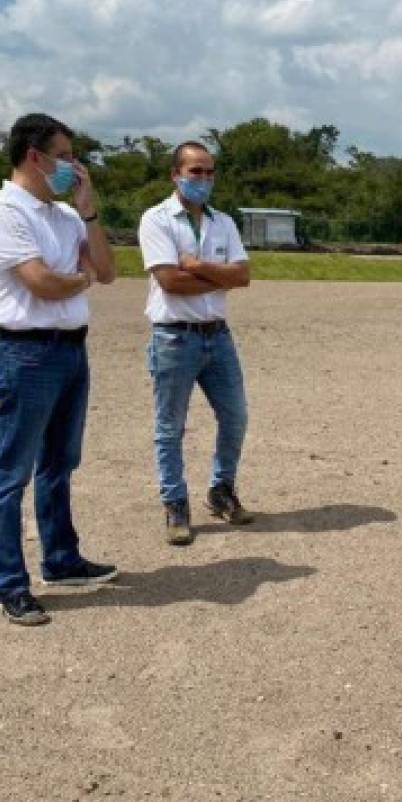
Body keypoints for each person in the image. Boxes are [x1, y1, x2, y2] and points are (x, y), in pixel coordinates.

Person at [0, 113, 118, 626]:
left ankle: (61, 560)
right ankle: (10, 583)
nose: (72, 166)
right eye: (65, 155)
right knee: (11, 471)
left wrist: (89, 211)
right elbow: (41, 282)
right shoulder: (1, 211)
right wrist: (80, 279)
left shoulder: (63, 216)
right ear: (35, 156)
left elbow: (108, 270)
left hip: (70, 350)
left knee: (60, 462)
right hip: (25, 353)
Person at [138, 141, 252, 545]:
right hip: (175, 337)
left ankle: (221, 489)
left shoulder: (224, 223)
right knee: (170, 427)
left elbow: (243, 276)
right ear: (176, 174)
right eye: (195, 172)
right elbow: (170, 281)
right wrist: (218, 275)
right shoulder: (157, 220)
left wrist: (199, 266)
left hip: (217, 335)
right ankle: (175, 502)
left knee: (235, 416)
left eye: (209, 172)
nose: (203, 179)